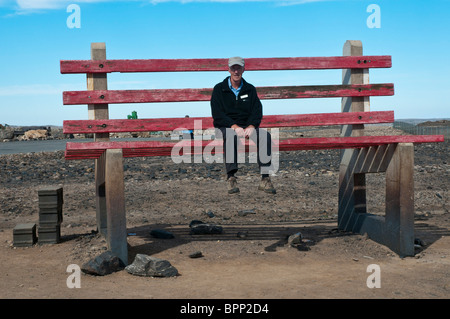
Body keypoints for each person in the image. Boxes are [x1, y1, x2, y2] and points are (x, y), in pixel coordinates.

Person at [210, 56, 275, 194]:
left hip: (247, 127)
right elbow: (218, 114)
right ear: (228, 69)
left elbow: (257, 110)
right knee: (230, 135)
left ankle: (265, 178)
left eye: (238, 68)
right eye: (233, 68)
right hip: (226, 127)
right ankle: (231, 177)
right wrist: (233, 126)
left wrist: (251, 126)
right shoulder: (219, 89)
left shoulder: (250, 89)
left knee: (265, 136)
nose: (236, 71)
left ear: (244, 69)